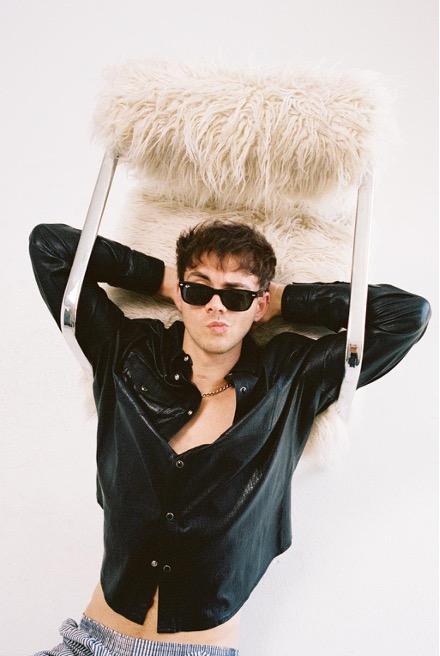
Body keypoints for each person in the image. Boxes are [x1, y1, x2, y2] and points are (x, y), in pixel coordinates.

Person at [28, 218, 431, 656]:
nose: (216, 307)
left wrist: (284, 300)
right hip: (90, 643)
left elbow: (406, 315)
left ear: (258, 305)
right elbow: (50, 246)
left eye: (236, 296)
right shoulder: (125, 352)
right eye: (200, 291)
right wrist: (163, 280)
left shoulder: (290, 379)